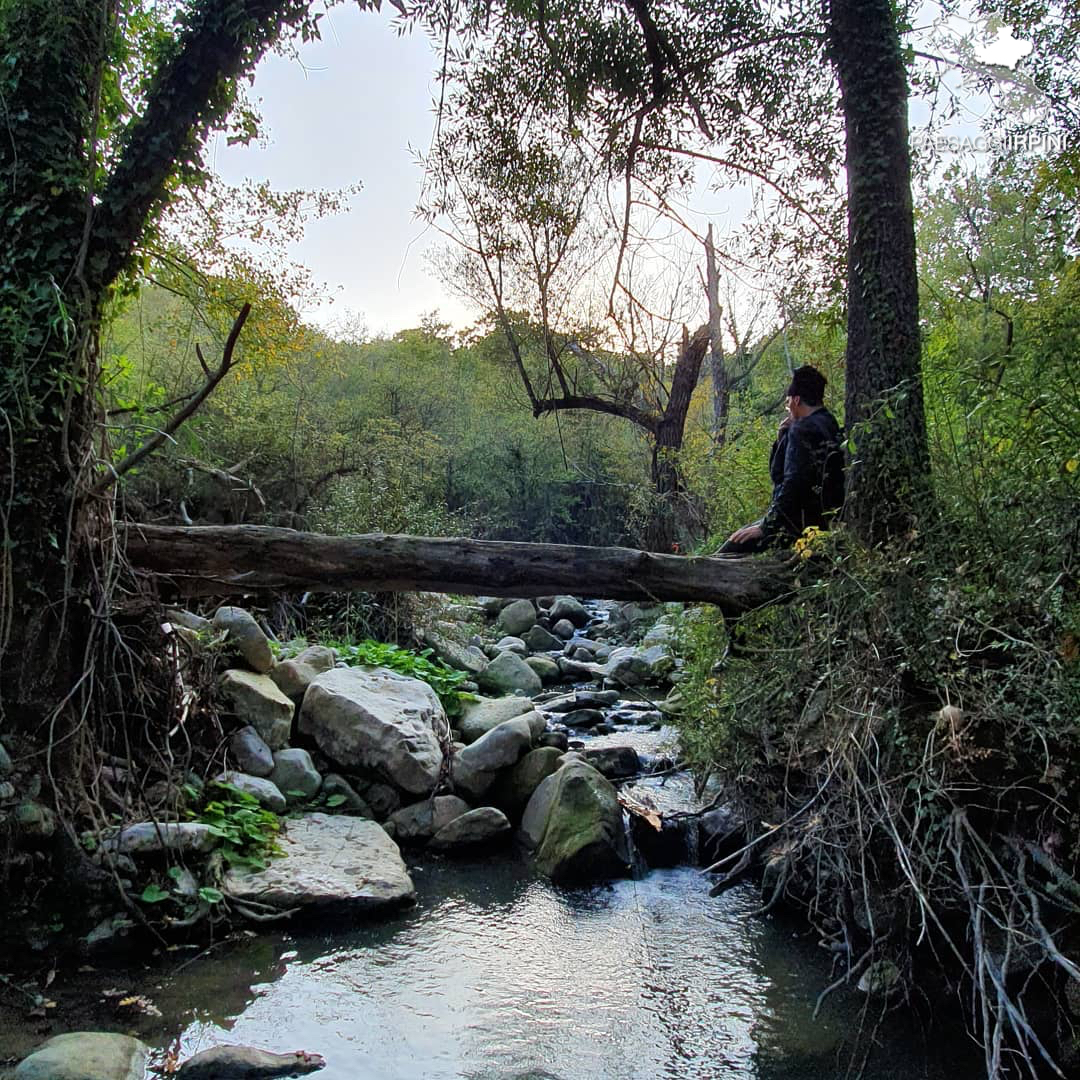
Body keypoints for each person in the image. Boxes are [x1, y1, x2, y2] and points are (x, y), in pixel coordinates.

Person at [718, 364, 844, 555]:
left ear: (796, 400)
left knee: (731, 548)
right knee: (741, 535)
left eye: (788, 403)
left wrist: (766, 528)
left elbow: (790, 482)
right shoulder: (830, 423)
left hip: (797, 525)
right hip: (825, 519)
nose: (788, 408)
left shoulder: (801, 430)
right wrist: (781, 438)